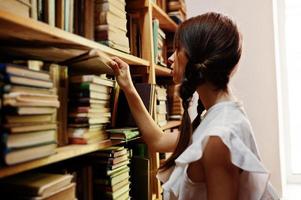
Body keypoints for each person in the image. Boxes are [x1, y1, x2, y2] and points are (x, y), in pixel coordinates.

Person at [109, 12, 279, 200]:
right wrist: (128, 87)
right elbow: (157, 140)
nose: (170, 58)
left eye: (178, 49)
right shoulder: (219, 115)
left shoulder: (218, 136)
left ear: (197, 58)